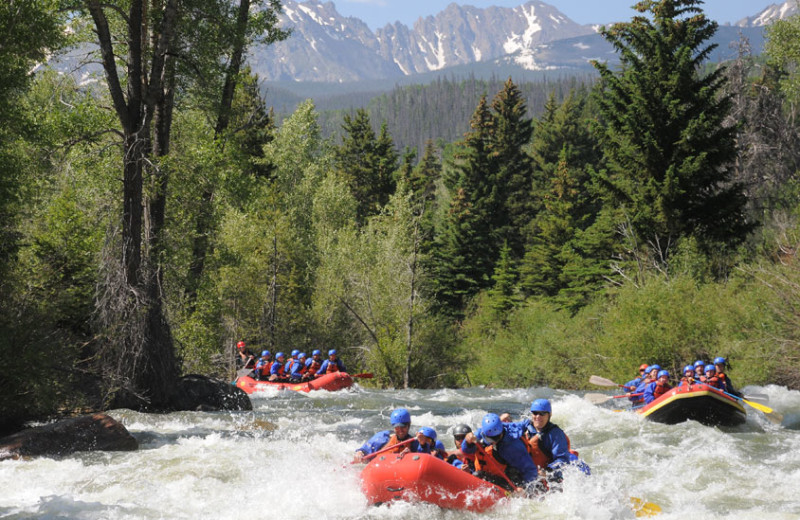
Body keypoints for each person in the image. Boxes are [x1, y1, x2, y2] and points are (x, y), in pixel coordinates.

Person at [461, 413, 539, 494]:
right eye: (490, 439)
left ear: (501, 432)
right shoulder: (483, 432)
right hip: (494, 472)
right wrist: (467, 441)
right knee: (478, 474)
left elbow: (530, 471)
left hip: (513, 478)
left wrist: (525, 489)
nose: (494, 442)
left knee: (478, 475)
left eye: (496, 438)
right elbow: (466, 450)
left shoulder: (514, 446)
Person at [519, 399, 590, 480]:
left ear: (549, 415)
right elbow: (509, 429)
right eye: (535, 413)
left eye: (542, 413)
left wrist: (547, 471)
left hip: (551, 472)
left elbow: (562, 459)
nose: (538, 416)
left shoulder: (556, 434)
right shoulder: (526, 425)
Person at [353, 408, 420, 463]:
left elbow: (424, 454)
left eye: (403, 427)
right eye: (397, 427)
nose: (400, 431)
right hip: (379, 465)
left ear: (409, 425)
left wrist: (411, 455)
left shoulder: (414, 442)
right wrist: (360, 453)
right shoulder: (382, 438)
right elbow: (364, 450)